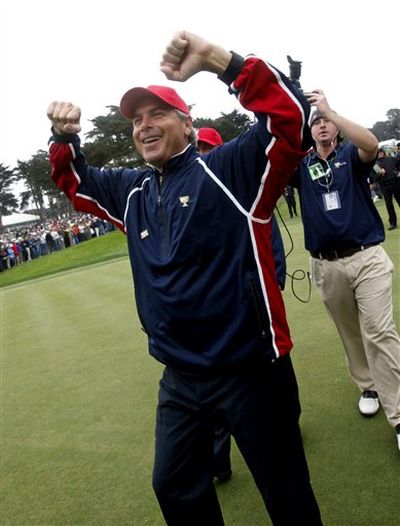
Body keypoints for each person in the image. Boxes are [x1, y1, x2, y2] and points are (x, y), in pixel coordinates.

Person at [47, 31, 322, 525]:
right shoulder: (131, 191)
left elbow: (291, 121)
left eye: (158, 114)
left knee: (287, 494)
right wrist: (66, 140)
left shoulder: (228, 169)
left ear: (187, 123)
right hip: (180, 377)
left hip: (250, 369)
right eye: (136, 119)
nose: (144, 126)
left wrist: (222, 62)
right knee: (173, 485)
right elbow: (75, 183)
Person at [292, 89, 400, 451]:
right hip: (325, 264)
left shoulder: (350, 154)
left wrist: (330, 111)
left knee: (379, 331)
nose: (321, 125)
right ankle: (368, 384)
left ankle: (399, 414)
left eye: (326, 121)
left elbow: (370, 142)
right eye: (316, 122)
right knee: (351, 332)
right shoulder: (302, 164)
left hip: (366, 256)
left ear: (335, 126)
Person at [196, 127, 287, 482]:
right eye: (199, 148)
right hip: (211, 316)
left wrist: (271, 287)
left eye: (209, 148)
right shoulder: (190, 197)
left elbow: (272, 246)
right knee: (214, 395)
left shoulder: (245, 189)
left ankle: (284, 429)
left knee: (274, 383)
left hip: (254, 312)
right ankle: (219, 461)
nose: (203, 154)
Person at [374, 148, 400, 230]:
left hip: (396, 183)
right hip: (385, 186)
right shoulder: (375, 165)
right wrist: (379, 174)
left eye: (381, 152)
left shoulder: (391, 159)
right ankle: (393, 223)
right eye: (378, 153)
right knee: (389, 205)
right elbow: (373, 178)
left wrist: (398, 172)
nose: (380, 154)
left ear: (384, 152)